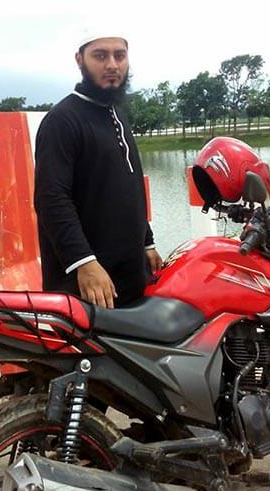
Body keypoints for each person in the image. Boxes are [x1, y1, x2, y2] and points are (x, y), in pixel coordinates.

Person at [33, 33, 162, 309]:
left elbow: (129, 186)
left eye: (119, 55)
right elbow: (51, 199)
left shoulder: (117, 114)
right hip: (87, 285)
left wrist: (147, 242)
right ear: (80, 59)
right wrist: (84, 262)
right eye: (100, 56)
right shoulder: (62, 120)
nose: (112, 64)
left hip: (129, 276)